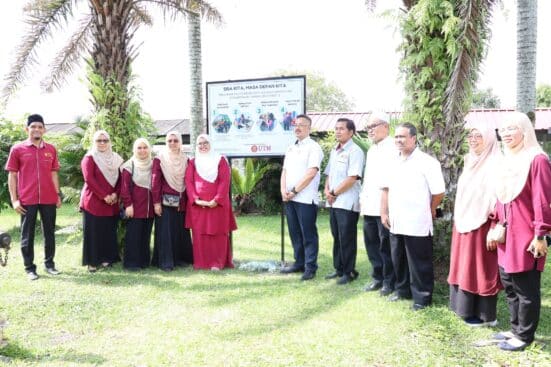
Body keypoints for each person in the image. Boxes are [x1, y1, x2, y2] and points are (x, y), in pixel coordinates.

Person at [488, 112, 551, 351]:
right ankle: (515, 329)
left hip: (527, 235)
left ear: (525, 131)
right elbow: (502, 199)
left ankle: (524, 336)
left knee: (526, 287)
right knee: (510, 284)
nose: (506, 134)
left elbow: (542, 200)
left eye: (511, 129)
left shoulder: (537, 159)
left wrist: (541, 234)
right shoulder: (508, 159)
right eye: (503, 129)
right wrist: (495, 223)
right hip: (506, 234)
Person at [380, 123, 445, 311]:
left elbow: (438, 193)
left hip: (418, 221)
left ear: (414, 138)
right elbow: (385, 189)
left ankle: (422, 297)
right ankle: (402, 290)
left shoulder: (427, 162)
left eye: (403, 136)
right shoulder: (391, 161)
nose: (399, 140)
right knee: (398, 258)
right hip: (396, 220)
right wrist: (384, 212)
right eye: (397, 137)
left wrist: (430, 209)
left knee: (419, 262)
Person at [447, 126, 502, 326]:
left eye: (479, 135)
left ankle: (484, 315)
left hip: (484, 224)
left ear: (488, 139)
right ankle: (463, 308)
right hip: (463, 221)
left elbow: (501, 198)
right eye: (470, 135)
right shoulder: (469, 160)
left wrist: (496, 224)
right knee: (463, 265)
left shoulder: (497, 163)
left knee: (480, 268)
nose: (473, 139)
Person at [5, 114, 62, 280]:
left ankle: (49, 264)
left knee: (49, 233)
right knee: (27, 234)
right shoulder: (18, 149)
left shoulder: (51, 149)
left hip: (48, 198)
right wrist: (15, 200)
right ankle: (29, 268)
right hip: (26, 199)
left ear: (44, 129)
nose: (37, 129)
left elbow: (53, 174)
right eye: (33, 127)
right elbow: (12, 175)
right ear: (27, 129)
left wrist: (57, 194)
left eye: (40, 127)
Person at [280, 114, 324, 281]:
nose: (297, 128)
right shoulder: (291, 148)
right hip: (290, 198)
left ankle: (310, 267)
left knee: (308, 234)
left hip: (305, 199)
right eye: (295, 125)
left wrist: (294, 191)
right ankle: (299, 263)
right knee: (295, 233)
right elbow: (284, 171)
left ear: (309, 128)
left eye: (302, 125)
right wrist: (283, 190)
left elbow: (311, 173)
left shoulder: (314, 148)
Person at [185, 134, 237, 270]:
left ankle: (217, 262)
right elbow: (189, 181)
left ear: (211, 144)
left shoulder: (220, 160)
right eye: (199, 144)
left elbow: (224, 181)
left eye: (205, 143)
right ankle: (201, 263)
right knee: (199, 233)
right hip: (199, 206)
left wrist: (217, 199)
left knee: (218, 233)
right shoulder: (193, 162)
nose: (202, 146)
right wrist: (195, 199)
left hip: (217, 205)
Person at [324, 118, 365, 285]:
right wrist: (327, 191)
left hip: (347, 202)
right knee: (336, 236)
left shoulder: (355, 151)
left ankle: (349, 272)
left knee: (347, 238)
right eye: (336, 128)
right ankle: (339, 268)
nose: (338, 131)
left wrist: (333, 192)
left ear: (351, 132)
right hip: (333, 202)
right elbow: (329, 174)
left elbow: (352, 178)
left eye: (342, 128)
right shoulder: (335, 150)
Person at [359, 111, 397, 296]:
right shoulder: (372, 149)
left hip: (385, 208)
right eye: (368, 127)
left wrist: (387, 209)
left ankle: (389, 282)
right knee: (371, 244)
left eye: (374, 126)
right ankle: (377, 277)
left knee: (385, 246)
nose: (370, 130)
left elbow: (391, 182)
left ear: (386, 127)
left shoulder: (393, 147)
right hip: (369, 206)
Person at [80, 130, 123, 272]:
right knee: (93, 232)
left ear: (109, 142)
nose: (102, 143)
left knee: (108, 231)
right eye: (99, 140)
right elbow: (89, 179)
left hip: (111, 202)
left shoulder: (116, 158)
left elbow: (121, 179)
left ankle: (106, 259)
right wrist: (104, 196)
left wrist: (116, 195)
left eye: (105, 140)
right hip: (94, 201)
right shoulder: (89, 158)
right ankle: (92, 262)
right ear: (94, 142)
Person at [151, 131, 193, 271]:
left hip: (181, 200)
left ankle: (180, 259)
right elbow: (155, 181)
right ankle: (166, 262)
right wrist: (156, 202)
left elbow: (188, 180)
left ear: (180, 142)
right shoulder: (160, 159)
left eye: (175, 140)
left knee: (180, 231)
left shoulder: (185, 159)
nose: (173, 143)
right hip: (165, 202)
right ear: (166, 142)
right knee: (166, 232)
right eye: (170, 140)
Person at [120, 138, 154, 271]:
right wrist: (128, 205)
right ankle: (131, 263)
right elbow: (124, 188)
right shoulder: (129, 166)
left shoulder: (153, 165)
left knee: (145, 234)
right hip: (134, 207)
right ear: (135, 150)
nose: (142, 150)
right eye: (139, 148)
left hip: (149, 207)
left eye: (145, 147)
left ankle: (144, 262)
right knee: (133, 235)